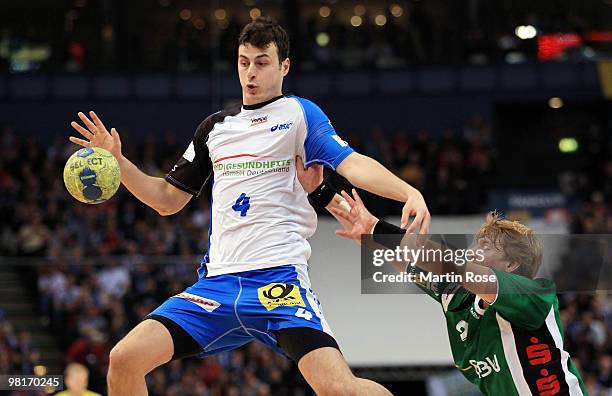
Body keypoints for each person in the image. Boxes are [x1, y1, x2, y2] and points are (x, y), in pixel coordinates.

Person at [68, 17, 430, 396]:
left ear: (284, 66)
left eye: (262, 62)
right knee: (124, 359)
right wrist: (119, 162)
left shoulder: (298, 115)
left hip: (278, 282)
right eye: (244, 62)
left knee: (339, 389)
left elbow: (352, 163)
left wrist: (407, 192)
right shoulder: (215, 129)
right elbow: (165, 200)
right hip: (216, 287)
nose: (251, 73)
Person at [320, 187, 587, 395]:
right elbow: (406, 260)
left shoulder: (532, 295)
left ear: (512, 264)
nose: (473, 250)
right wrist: (325, 197)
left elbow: (450, 264)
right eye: (475, 243)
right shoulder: (459, 295)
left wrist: (375, 228)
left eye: (486, 246)